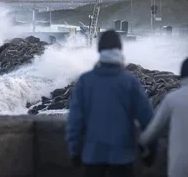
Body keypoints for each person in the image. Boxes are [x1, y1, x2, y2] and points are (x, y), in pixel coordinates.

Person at [66, 29, 156, 177]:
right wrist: (151, 149)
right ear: (120, 49)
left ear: (99, 49)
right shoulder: (129, 82)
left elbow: (74, 122)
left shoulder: (85, 81)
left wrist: (75, 151)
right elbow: (147, 118)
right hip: (122, 156)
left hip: (93, 156)